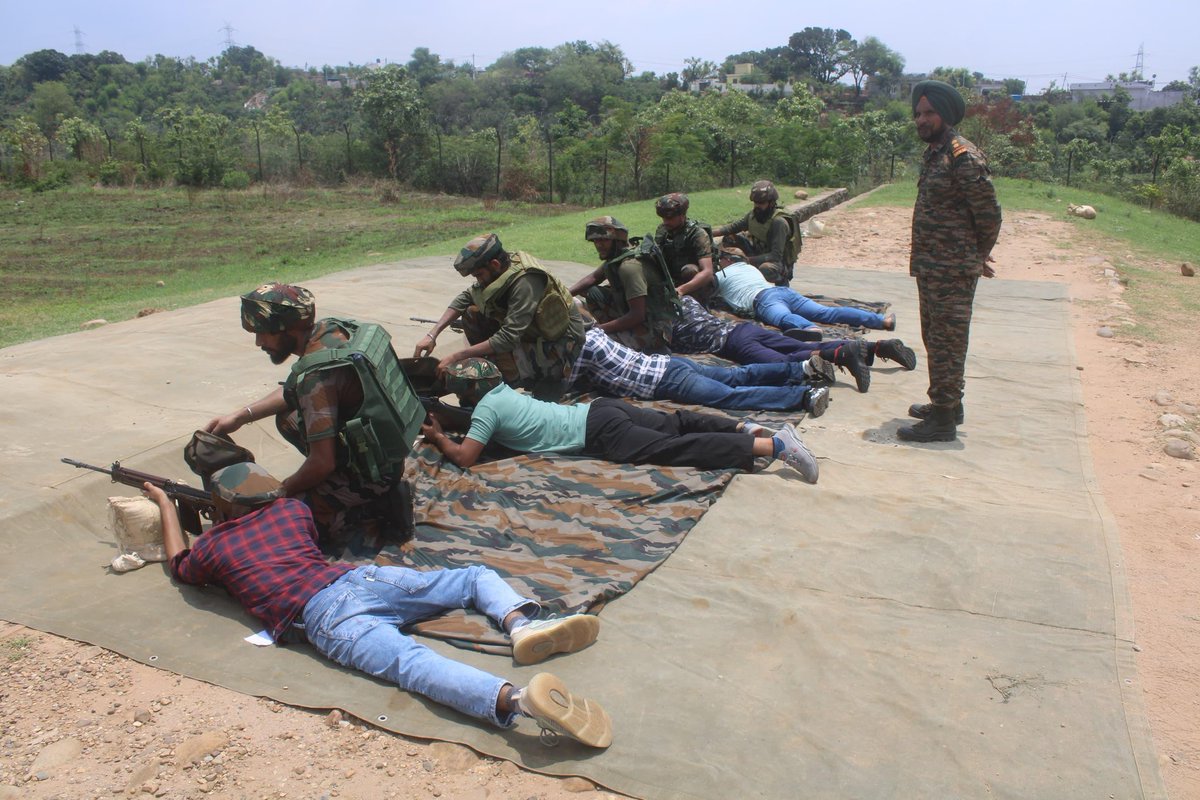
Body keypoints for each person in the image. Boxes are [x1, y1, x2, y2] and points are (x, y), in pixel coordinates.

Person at [146, 466, 613, 748]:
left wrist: (167, 505)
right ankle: (519, 625)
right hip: (361, 579)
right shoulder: (292, 510)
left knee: (413, 665)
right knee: (470, 578)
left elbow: (180, 565)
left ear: (223, 507)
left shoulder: (215, 546)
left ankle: (517, 700)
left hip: (327, 617)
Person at [205, 283, 422, 551]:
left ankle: (365, 506)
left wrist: (281, 492)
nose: (259, 343)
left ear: (287, 327)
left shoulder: (317, 376)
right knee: (287, 415)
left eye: (263, 333)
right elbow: (291, 391)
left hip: (373, 475)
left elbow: (322, 462)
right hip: (382, 454)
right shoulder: (332, 332)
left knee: (276, 525)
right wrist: (241, 416)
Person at [420, 358, 819, 483]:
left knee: (675, 450)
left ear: (468, 390)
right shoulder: (503, 394)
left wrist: (439, 437)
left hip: (598, 432)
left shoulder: (486, 409)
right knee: (674, 423)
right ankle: (742, 427)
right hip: (600, 408)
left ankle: (775, 446)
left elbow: (467, 457)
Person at [899, 80, 1002, 443]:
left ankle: (942, 420)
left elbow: (989, 214)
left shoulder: (962, 155)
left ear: (946, 114)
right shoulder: (935, 153)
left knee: (947, 341)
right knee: (936, 338)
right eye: (918, 114)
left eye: (929, 113)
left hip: (951, 271)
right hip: (931, 267)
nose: (921, 120)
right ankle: (948, 404)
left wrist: (975, 255)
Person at [414, 233, 586, 400]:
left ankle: (531, 381)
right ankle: (510, 370)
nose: (478, 280)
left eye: (479, 275)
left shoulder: (526, 281)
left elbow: (508, 337)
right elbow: (467, 296)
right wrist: (432, 334)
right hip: (533, 332)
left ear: (494, 264)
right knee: (471, 313)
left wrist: (458, 356)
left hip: (562, 346)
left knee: (482, 374)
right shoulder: (503, 267)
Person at [671, 295, 917, 393]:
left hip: (732, 342)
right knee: (797, 348)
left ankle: (842, 354)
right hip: (743, 328)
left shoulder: (669, 327)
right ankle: (878, 346)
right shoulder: (688, 300)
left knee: (783, 363)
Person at [568, 327, 831, 415]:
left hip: (666, 381)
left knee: (729, 396)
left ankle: (802, 396)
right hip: (670, 363)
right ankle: (802, 367)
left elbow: (562, 383)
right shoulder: (595, 332)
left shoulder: (581, 348)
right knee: (737, 375)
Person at [712, 248, 896, 340]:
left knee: (783, 317)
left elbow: (707, 290)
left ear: (727, 260)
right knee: (827, 313)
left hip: (763, 300)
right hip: (782, 291)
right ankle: (882, 321)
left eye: (720, 260)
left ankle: (809, 329)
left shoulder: (721, 275)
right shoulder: (750, 268)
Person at [568, 216, 680, 354]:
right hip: (638, 316)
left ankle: (649, 347)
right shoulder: (617, 258)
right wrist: (563, 294)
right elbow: (593, 278)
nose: (598, 245)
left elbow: (637, 315)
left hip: (654, 329)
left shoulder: (629, 267)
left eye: (604, 240)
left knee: (593, 345)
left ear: (618, 241)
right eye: (595, 240)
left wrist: (599, 330)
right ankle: (619, 329)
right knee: (593, 292)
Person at [710, 180, 798, 286]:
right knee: (729, 238)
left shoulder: (779, 222)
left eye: (761, 203)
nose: (757, 206)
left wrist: (747, 260)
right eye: (755, 202)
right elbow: (733, 228)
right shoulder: (753, 216)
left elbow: (776, 255)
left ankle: (782, 282)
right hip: (758, 253)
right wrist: (709, 233)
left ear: (771, 203)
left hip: (778, 262)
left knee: (766, 269)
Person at [652, 193, 717, 299]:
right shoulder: (663, 230)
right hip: (672, 278)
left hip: (696, 283)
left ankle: (697, 303)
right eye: (663, 218)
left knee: (689, 270)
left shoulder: (697, 234)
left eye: (670, 218)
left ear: (682, 215)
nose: (666, 222)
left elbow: (707, 272)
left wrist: (681, 290)